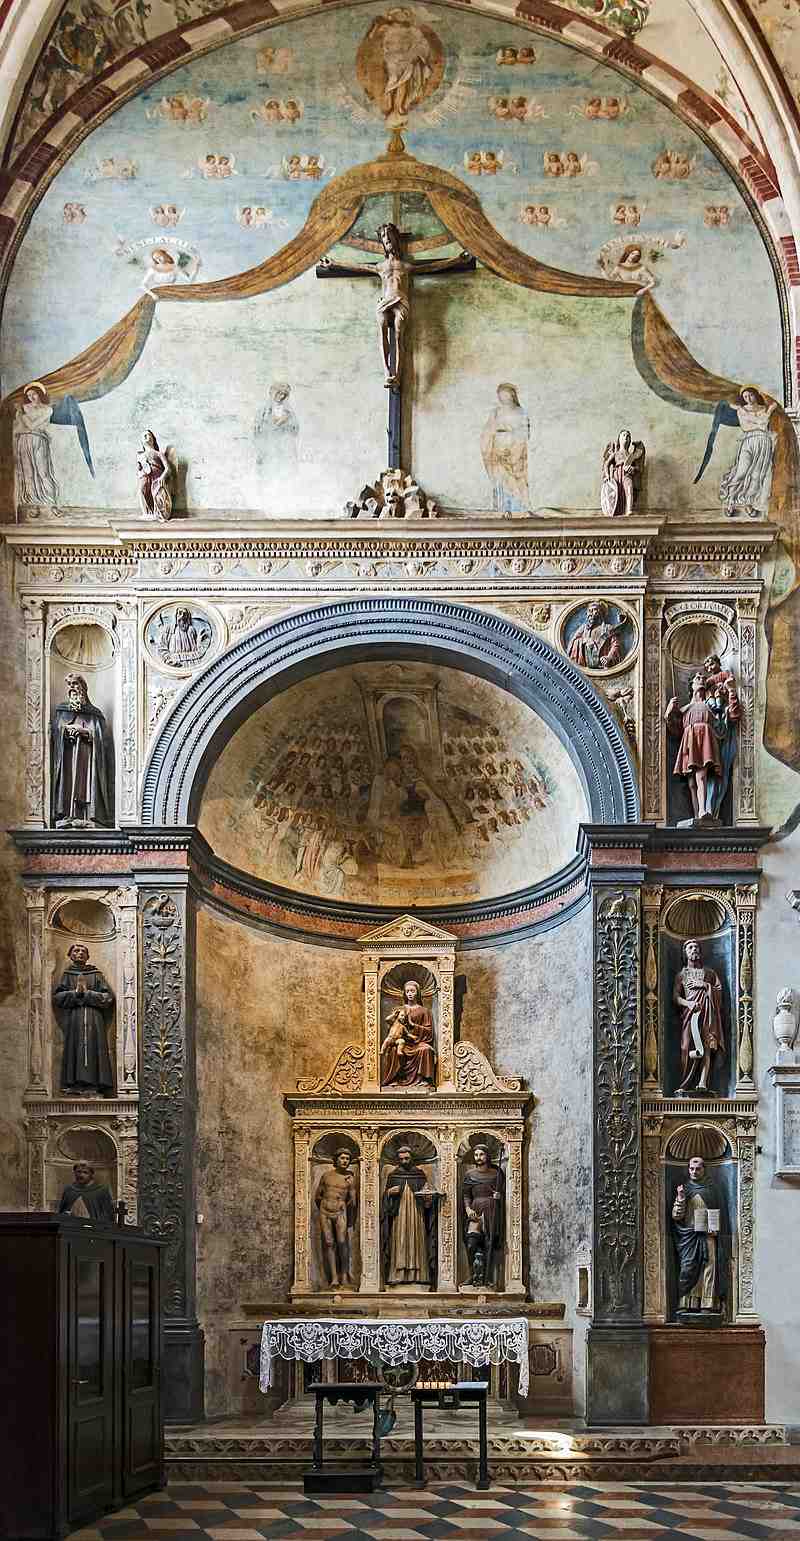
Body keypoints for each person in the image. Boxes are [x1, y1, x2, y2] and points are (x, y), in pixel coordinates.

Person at [50, 673, 113, 828]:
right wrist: (66, 730)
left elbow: (102, 739)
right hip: (68, 756)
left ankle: (88, 816)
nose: (72, 688)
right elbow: (55, 732)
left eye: (75, 684)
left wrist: (84, 732)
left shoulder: (94, 713)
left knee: (86, 785)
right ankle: (67, 815)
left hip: (87, 758)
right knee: (68, 783)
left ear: (83, 687)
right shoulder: (62, 710)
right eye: (70, 685)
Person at [53, 943, 115, 1094]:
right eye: (76, 950)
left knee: (94, 1047)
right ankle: (74, 1084)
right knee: (75, 1047)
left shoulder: (96, 974)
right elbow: (58, 998)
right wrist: (75, 993)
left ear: (88, 956)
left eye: (83, 951)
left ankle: (95, 1084)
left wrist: (88, 994)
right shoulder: (68, 975)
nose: (80, 953)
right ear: (70, 955)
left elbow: (108, 997)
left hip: (94, 1018)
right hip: (75, 1018)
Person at [671, 1155, 729, 1315]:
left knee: (709, 1268)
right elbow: (676, 1216)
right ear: (688, 1169)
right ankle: (686, 1302)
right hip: (689, 1236)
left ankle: (707, 1303)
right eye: (691, 1168)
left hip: (709, 1235)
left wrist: (715, 1228)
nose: (694, 1171)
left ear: (704, 1169)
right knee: (687, 1267)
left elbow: (721, 1213)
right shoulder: (685, 1189)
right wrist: (681, 1198)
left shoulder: (712, 1189)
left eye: (698, 1169)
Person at [665, 672, 723, 821]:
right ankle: (697, 814)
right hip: (690, 741)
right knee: (691, 782)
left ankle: (703, 810)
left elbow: (720, 726)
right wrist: (670, 710)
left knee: (701, 775)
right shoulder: (685, 709)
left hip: (704, 740)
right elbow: (674, 729)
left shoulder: (708, 706)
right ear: (691, 685)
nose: (702, 680)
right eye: (698, 678)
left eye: (703, 678)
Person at [672, 939, 725, 1093]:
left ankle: (703, 1083)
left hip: (707, 1013)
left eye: (696, 947)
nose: (694, 949)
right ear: (685, 953)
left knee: (706, 1046)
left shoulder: (709, 973)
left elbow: (718, 991)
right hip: (690, 1014)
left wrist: (705, 985)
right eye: (690, 947)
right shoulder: (681, 975)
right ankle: (684, 1084)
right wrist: (688, 1004)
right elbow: (675, 997)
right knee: (686, 1046)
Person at [380, 1144, 436, 1286]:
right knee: (400, 1240)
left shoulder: (419, 1175)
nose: (404, 1161)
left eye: (407, 1158)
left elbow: (427, 1199)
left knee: (416, 1240)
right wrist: (388, 1193)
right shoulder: (393, 1175)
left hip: (417, 1215)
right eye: (401, 1159)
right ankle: (398, 1274)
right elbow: (384, 1202)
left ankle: (419, 1275)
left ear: (412, 1158)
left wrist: (427, 1198)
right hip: (398, 1215)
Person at [480, 383, 530, 514]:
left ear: (512, 395)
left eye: (505, 394)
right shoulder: (496, 412)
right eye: (500, 395)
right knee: (500, 480)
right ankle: (502, 510)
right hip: (498, 450)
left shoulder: (521, 412)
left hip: (516, 450)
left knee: (516, 481)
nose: (503, 398)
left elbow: (524, 433)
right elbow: (488, 431)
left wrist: (514, 446)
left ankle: (518, 510)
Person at [462, 1143, 505, 1287]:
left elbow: (503, 1193)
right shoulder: (469, 1175)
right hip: (475, 1209)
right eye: (476, 1155)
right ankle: (471, 1274)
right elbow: (466, 1195)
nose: (478, 1157)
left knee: (489, 1243)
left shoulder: (496, 1174)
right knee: (471, 1243)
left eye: (481, 1154)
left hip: (491, 1209)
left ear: (487, 1156)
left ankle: (488, 1278)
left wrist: (499, 1196)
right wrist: (468, 1209)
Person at [314, 1148, 358, 1289]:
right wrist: (325, 1204)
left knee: (341, 1241)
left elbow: (353, 1201)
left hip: (340, 1211)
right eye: (342, 1158)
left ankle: (344, 1275)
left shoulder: (350, 1177)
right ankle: (334, 1278)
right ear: (336, 1159)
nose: (345, 1161)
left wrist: (351, 1187)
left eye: (347, 1159)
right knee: (329, 1243)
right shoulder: (326, 1176)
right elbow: (318, 1195)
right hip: (325, 1211)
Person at [380, 979, 437, 1087]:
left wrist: (413, 1026)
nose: (410, 994)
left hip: (417, 1042)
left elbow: (429, 1032)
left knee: (426, 1050)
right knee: (394, 1049)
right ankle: (395, 1079)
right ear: (405, 994)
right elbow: (391, 1026)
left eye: (412, 991)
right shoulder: (399, 1009)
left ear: (417, 993)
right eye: (407, 991)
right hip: (402, 1041)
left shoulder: (424, 1011)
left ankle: (422, 1080)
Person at [14, 383, 59, 508]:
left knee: (43, 472)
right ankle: (31, 504)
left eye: (34, 394)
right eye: (28, 395)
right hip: (24, 440)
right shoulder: (24, 408)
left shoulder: (47, 410)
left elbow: (32, 425)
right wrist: (22, 417)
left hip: (39, 440)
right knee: (27, 473)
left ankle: (51, 503)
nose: (31, 397)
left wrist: (22, 415)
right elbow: (18, 428)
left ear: (40, 394)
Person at [567, 598, 627, 671]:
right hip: (585, 666)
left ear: (601, 613)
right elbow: (574, 642)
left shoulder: (608, 628)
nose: (591, 613)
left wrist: (609, 657)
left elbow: (616, 645)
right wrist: (584, 641)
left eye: (594, 610)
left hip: (604, 668)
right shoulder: (583, 629)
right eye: (589, 611)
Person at [600, 429, 645, 516]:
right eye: (624, 435)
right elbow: (606, 464)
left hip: (627, 475)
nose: (626, 437)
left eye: (628, 436)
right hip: (617, 474)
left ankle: (629, 510)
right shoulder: (615, 454)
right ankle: (616, 510)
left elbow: (638, 468)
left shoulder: (631, 455)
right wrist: (607, 475)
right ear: (619, 439)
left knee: (629, 489)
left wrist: (633, 468)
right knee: (617, 492)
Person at [137, 430, 173, 519]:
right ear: (141, 442)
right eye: (143, 436)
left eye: (148, 434)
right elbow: (139, 469)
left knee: (157, 495)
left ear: (153, 439)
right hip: (145, 476)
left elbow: (168, 469)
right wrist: (140, 468)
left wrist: (162, 477)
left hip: (157, 477)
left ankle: (158, 513)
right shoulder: (141, 456)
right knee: (142, 491)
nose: (146, 436)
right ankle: (147, 513)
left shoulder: (158, 454)